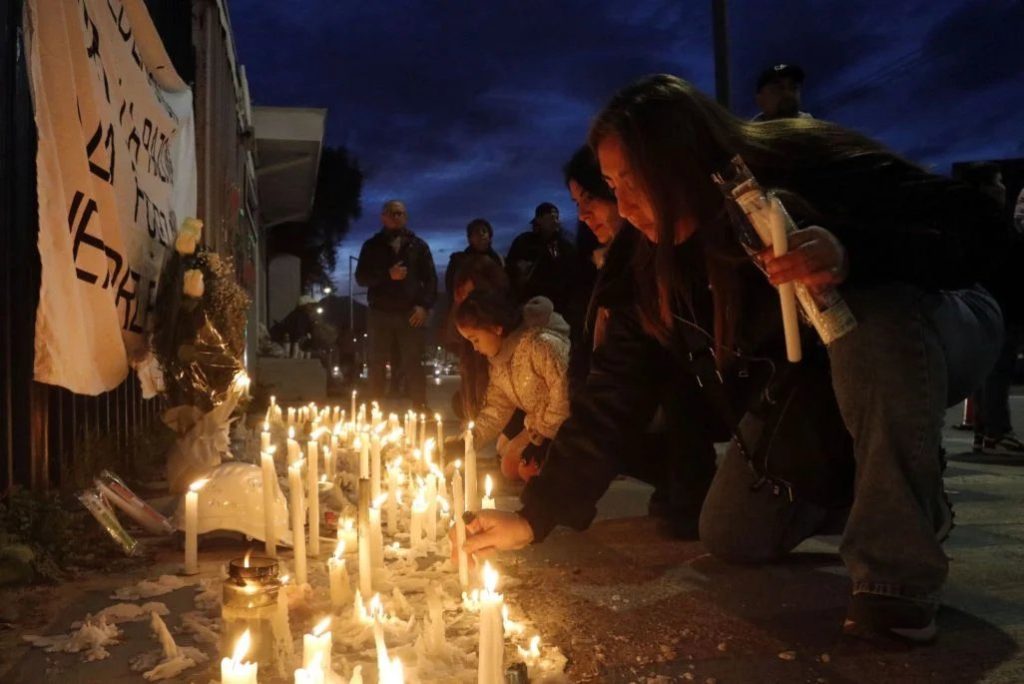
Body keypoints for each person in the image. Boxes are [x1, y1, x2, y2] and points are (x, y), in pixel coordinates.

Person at [463, 74, 1009, 645]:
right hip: (813, 388)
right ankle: (904, 493)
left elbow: (979, 226)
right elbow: (614, 392)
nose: (621, 205)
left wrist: (851, 251)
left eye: (634, 180)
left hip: (935, 322)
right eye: (609, 184)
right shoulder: (646, 260)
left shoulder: (798, 159)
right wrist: (536, 514)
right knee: (731, 534)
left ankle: (898, 572)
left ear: (681, 159)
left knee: (865, 311)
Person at [564, 144, 718, 537]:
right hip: (647, 396)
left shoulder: (660, 255)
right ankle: (678, 485)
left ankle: (693, 487)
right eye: (577, 203)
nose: (582, 214)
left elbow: (650, 364)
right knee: (592, 425)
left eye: (590, 198)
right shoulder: (608, 261)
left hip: (698, 397)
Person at [455, 289, 570, 482]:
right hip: (539, 425)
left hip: (571, 424)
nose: (475, 348)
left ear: (496, 328)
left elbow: (566, 396)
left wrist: (546, 436)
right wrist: (467, 442)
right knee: (509, 464)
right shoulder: (499, 361)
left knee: (527, 470)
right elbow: (496, 410)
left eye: (475, 339)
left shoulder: (542, 346)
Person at [957, 162, 1024, 454]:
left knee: (988, 371)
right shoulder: (990, 222)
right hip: (1002, 304)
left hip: (987, 305)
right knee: (998, 370)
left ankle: (986, 431)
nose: (1003, 187)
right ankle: (996, 432)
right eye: (997, 182)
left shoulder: (966, 220)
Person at [355, 200, 437, 410]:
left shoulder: (418, 246)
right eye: (392, 213)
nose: (396, 216)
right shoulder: (372, 246)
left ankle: (420, 407)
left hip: (409, 313)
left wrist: (423, 306)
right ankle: (375, 410)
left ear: (406, 217)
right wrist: (387, 275)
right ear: (383, 217)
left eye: (400, 213)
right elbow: (361, 277)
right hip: (380, 312)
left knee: (413, 362)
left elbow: (430, 280)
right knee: (377, 363)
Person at [505, 202, 578, 314]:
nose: (555, 221)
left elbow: (572, 272)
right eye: (551, 217)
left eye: (557, 217)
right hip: (530, 302)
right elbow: (510, 267)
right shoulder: (524, 242)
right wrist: (519, 268)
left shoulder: (564, 245)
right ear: (539, 220)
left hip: (559, 306)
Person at [444, 218, 504, 300]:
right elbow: (451, 288)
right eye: (476, 232)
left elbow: (503, 288)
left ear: (490, 237)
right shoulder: (458, 261)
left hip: (493, 307)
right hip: (466, 306)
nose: (481, 234)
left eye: (484, 231)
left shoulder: (498, 260)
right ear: (470, 239)